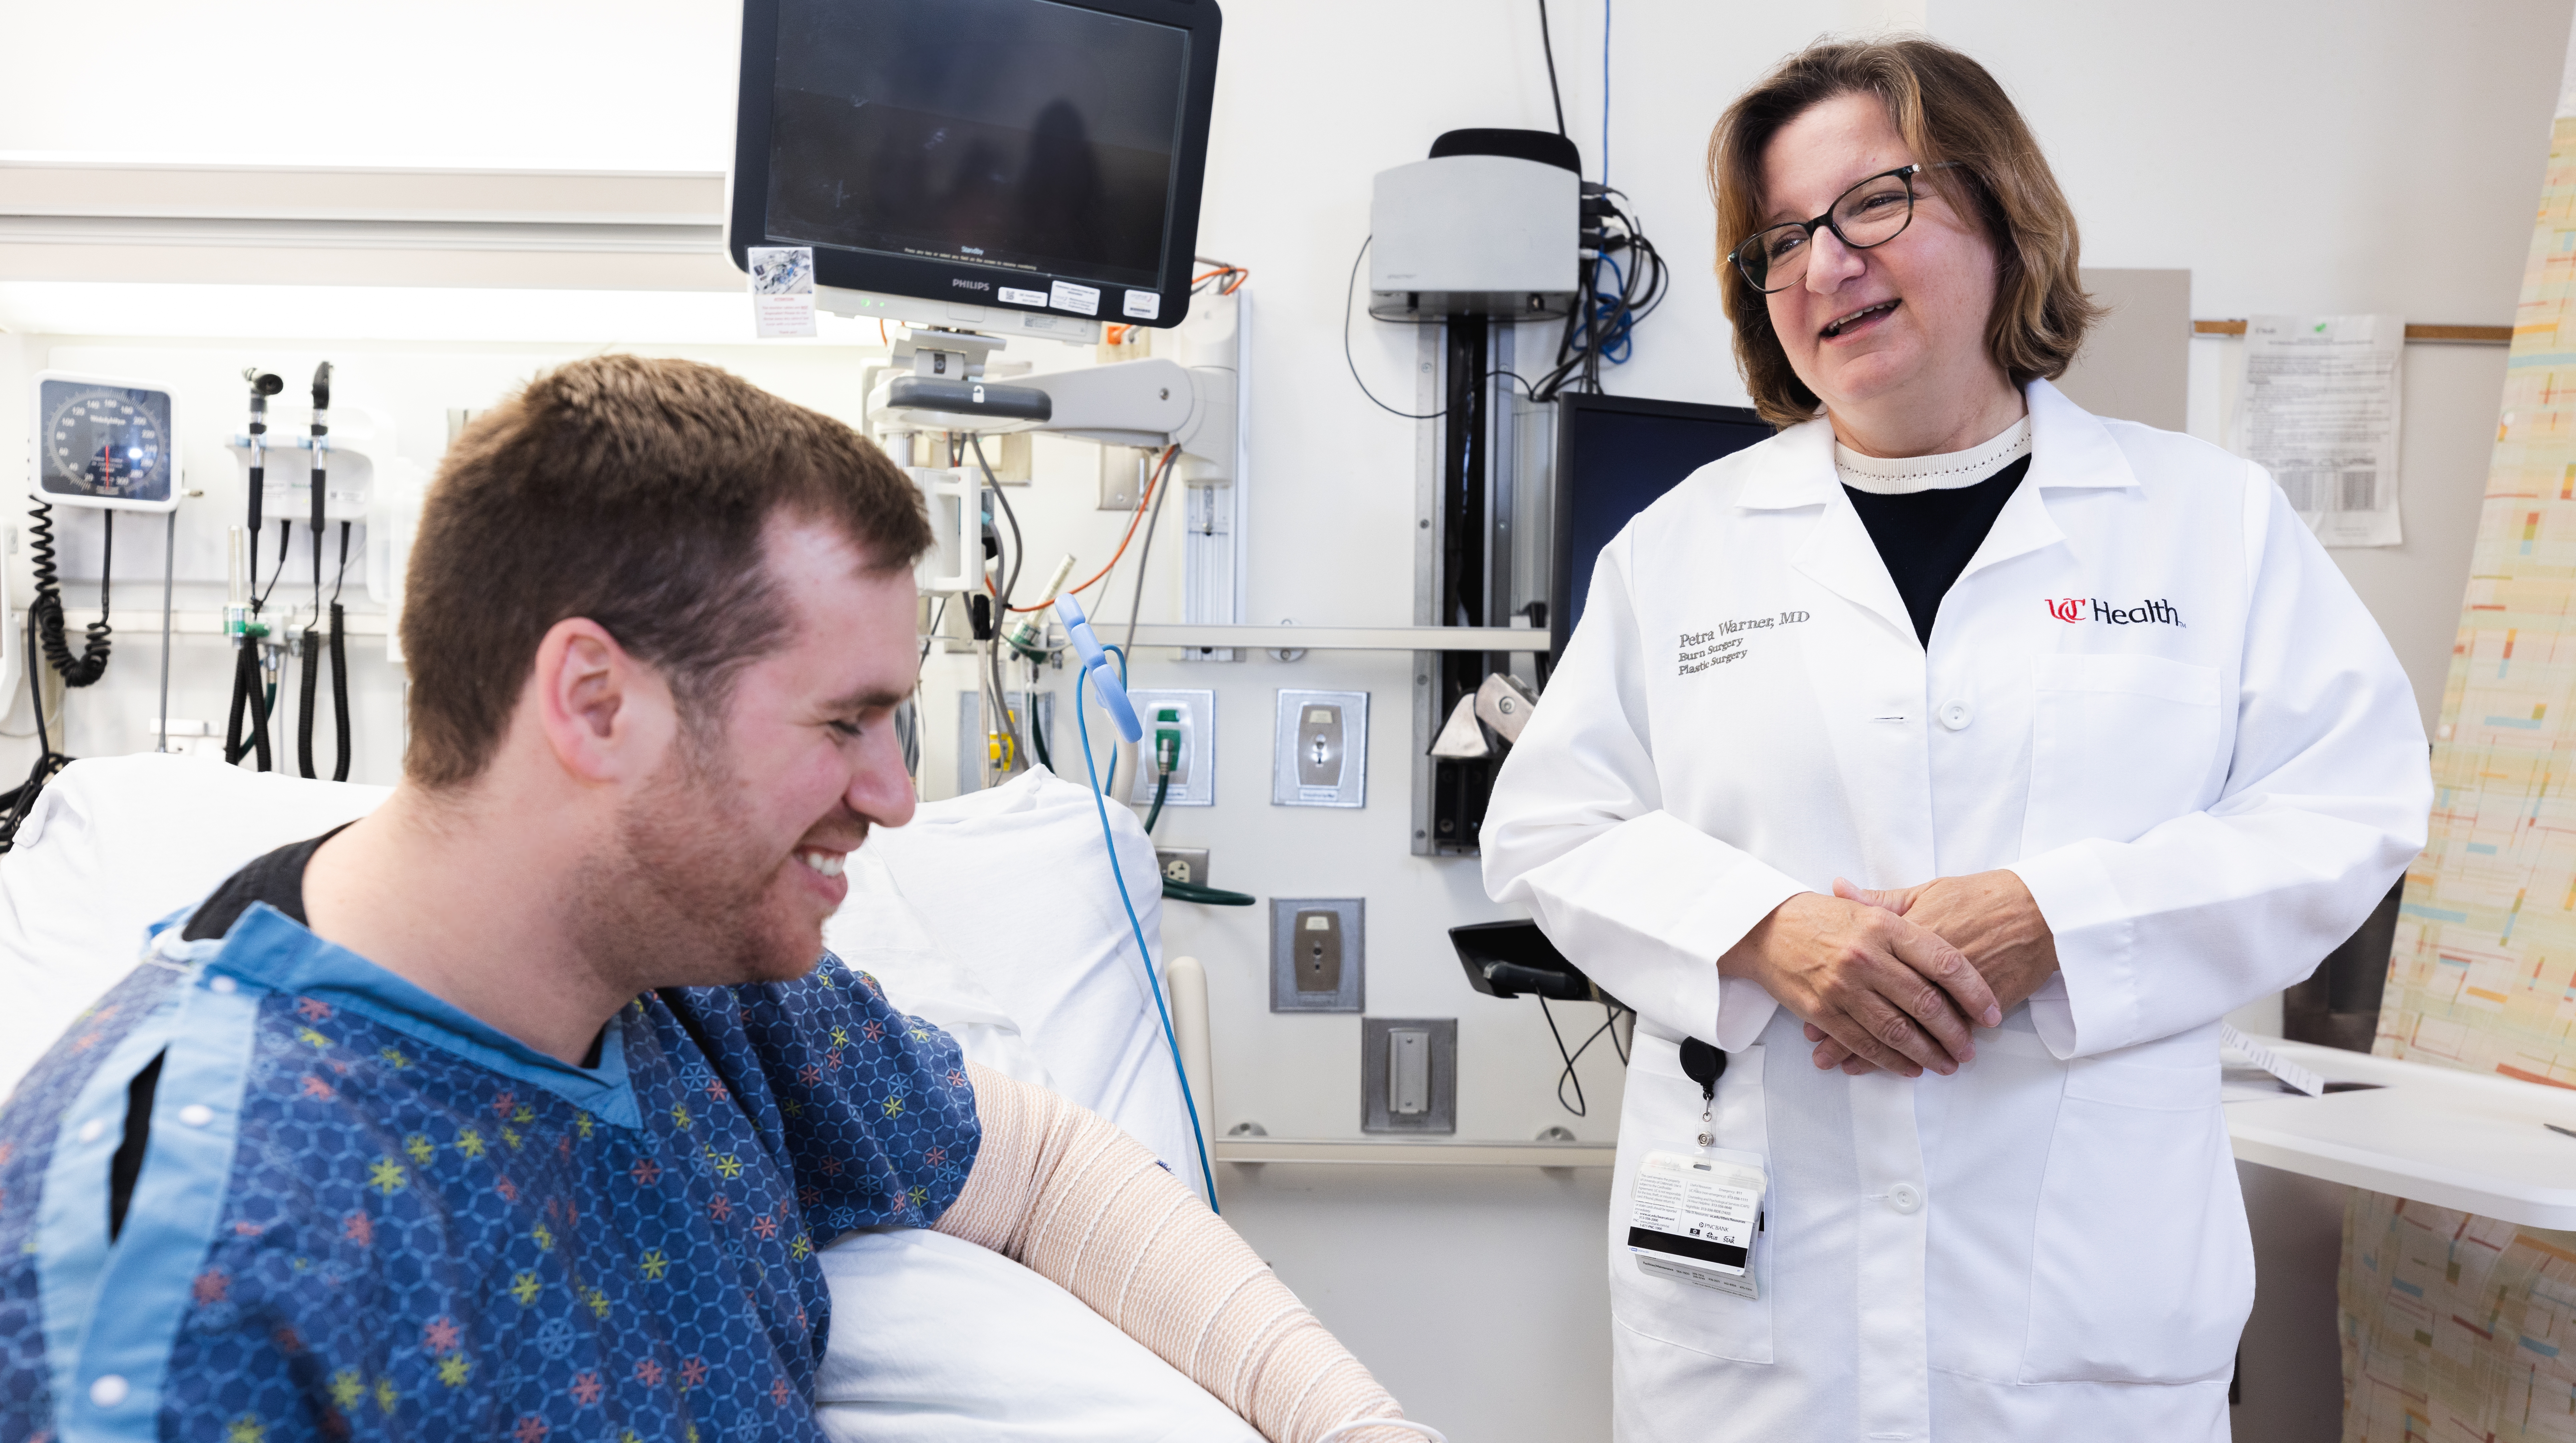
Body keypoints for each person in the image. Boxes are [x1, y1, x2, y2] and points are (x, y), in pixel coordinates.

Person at [0, 355, 1419, 1443]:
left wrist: (1357, 1429)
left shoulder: (705, 986)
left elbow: (1040, 1166)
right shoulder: (177, 1247)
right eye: (844, 722)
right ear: (596, 702)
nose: (894, 793)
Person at [1480, 36, 2430, 1443]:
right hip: (1765, 1347)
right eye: (1782, 239)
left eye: (1875, 203)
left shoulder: (2206, 524)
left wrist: (2058, 918)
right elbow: (1553, 825)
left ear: (2000, 211)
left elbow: (2349, 808)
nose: (1825, 264)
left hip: (2079, 1329)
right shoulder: (1680, 551)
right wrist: (1764, 931)